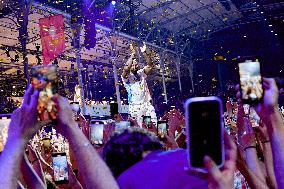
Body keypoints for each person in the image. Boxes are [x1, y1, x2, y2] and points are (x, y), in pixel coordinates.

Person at [121, 42, 157, 126]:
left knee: (152, 127)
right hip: (135, 108)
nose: (135, 64)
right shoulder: (126, 78)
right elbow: (126, 69)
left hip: (147, 106)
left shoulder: (141, 73)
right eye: (132, 64)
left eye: (136, 63)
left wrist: (145, 53)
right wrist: (133, 54)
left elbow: (150, 65)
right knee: (140, 130)